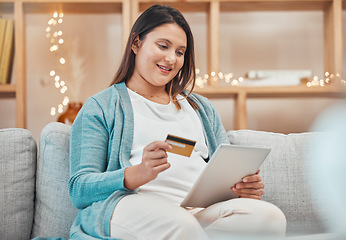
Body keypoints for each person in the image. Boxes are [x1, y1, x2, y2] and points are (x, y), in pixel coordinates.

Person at [68, 4, 286, 239]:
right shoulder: (101, 106)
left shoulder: (201, 108)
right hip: (130, 205)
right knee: (183, 226)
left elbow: (225, 168)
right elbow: (79, 188)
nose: (171, 58)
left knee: (270, 218)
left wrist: (242, 188)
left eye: (180, 52)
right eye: (163, 46)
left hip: (197, 213)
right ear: (136, 43)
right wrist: (135, 174)